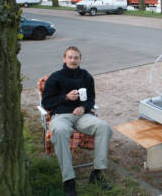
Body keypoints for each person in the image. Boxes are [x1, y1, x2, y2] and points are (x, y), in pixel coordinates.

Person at [42, 46, 112, 195]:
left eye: (76, 58)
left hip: (82, 116)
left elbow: (91, 99)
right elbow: (46, 103)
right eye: (70, 57)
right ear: (64, 59)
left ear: (80, 59)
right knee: (60, 131)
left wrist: (83, 107)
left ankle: (97, 173)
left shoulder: (86, 76)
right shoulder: (55, 78)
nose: (73, 60)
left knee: (103, 127)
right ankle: (68, 180)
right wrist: (65, 97)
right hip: (61, 116)